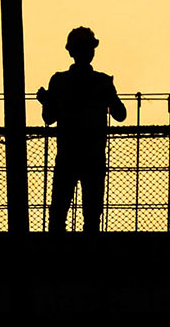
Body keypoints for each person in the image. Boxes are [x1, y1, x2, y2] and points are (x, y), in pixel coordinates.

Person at [38, 26, 126, 233]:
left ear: (70, 52)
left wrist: (46, 101)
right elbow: (120, 115)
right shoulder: (102, 81)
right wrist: (108, 96)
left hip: (67, 154)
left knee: (58, 213)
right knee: (92, 215)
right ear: (91, 51)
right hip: (94, 156)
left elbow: (48, 118)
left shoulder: (59, 81)